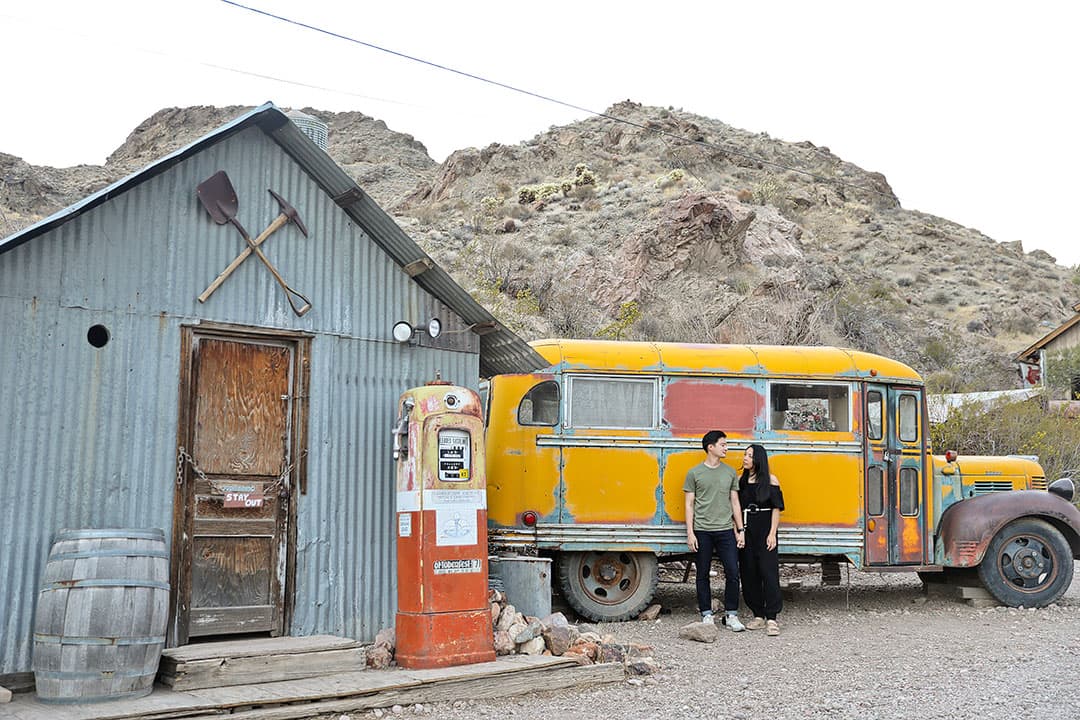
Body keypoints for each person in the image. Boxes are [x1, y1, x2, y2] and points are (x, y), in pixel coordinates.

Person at [684, 430, 745, 631]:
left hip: (726, 530)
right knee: (702, 573)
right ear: (711, 447)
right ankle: (706, 614)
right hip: (702, 530)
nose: (726, 448)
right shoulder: (694, 473)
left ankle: (731, 615)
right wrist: (690, 533)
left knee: (733, 572)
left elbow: (735, 502)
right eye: (723, 444)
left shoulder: (729, 473)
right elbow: (689, 504)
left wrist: (740, 529)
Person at [737, 443, 785, 636]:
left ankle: (772, 618)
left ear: (758, 459)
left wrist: (772, 533)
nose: (745, 458)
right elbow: (736, 509)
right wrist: (738, 531)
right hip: (746, 529)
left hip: (765, 529)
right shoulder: (741, 481)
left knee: (768, 572)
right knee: (748, 573)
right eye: (745, 455)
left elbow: (776, 508)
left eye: (749, 455)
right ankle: (757, 614)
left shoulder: (771, 480)